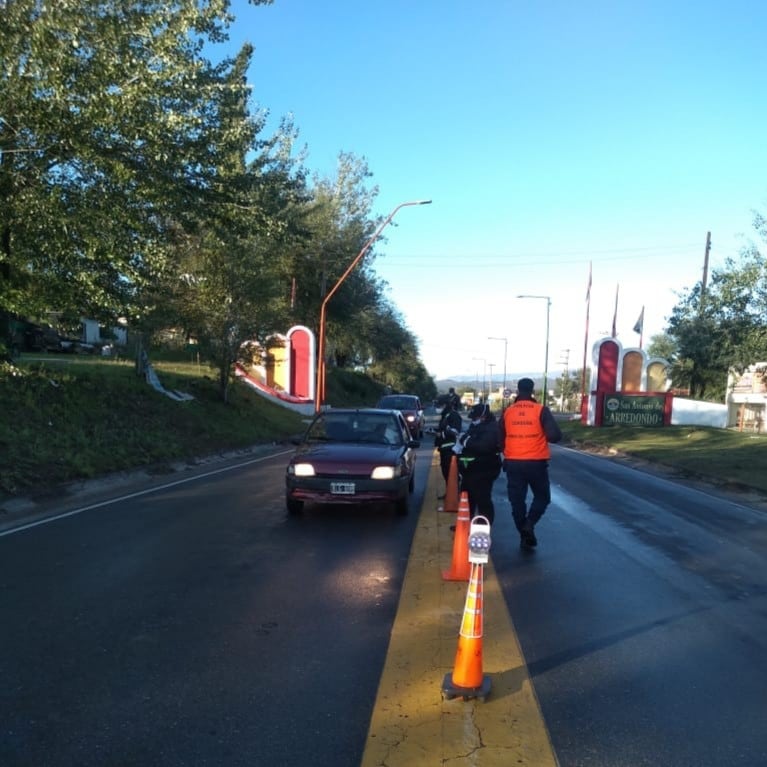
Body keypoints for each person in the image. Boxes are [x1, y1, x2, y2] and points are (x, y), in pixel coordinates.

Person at [499, 377, 562, 550]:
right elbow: (554, 436)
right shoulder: (540, 410)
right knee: (542, 497)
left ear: (518, 390)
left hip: (513, 463)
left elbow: (499, 439)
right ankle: (529, 524)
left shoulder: (508, 412)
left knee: (517, 501)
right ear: (532, 390)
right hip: (535, 463)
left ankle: (524, 532)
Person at [452, 402, 502, 524]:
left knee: (482, 499)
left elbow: (483, 446)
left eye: (475, 418)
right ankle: (464, 525)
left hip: (484, 469)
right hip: (471, 470)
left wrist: (464, 440)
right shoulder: (477, 426)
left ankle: (483, 527)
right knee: (467, 498)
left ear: (483, 417)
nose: (473, 420)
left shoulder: (492, 428)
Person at [434, 399, 463, 491]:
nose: (438, 408)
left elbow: (455, 431)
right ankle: (450, 492)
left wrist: (441, 434)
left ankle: (454, 493)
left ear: (445, 405)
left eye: (439, 406)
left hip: (451, 449)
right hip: (444, 448)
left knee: (450, 473)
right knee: (446, 472)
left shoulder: (453, 415)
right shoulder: (446, 415)